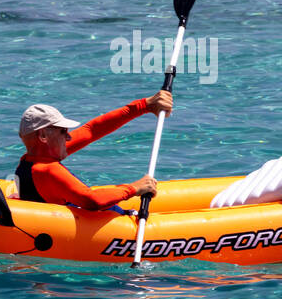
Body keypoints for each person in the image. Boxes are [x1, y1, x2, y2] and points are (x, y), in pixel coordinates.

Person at [14, 90, 173, 211]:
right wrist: (135, 187)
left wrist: (144, 105)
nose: (68, 137)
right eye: (63, 132)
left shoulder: (33, 160)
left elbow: (91, 130)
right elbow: (92, 201)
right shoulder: (48, 170)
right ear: (43, 136)